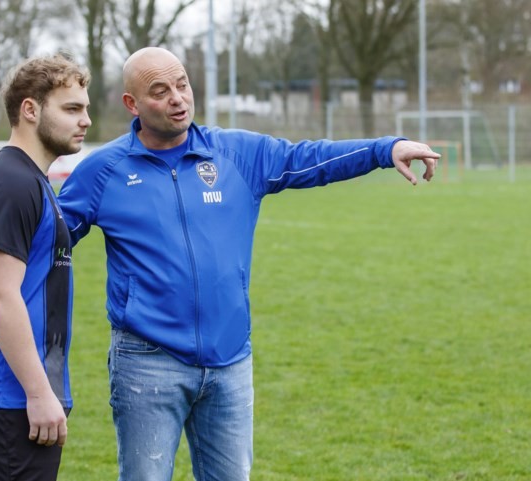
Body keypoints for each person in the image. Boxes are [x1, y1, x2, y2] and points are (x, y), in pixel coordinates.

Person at [57, 47, 439, 481]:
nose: (178, 98)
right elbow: (41, 244)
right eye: (160, 91)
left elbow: (309, 158)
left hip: (230, 361)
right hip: (147, 362)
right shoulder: (103, 171)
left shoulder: (236, 154)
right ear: (133, 104)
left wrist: (383, 149)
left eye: (182, 85)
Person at [0, 53, 91, 481]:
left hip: (19, 391)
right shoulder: (12, 182)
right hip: (6, 392)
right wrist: (38, 391)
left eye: (85, 108)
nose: (85, 120)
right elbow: (0, 294)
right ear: (30, 109)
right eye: (72, 109)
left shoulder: (32, 180)